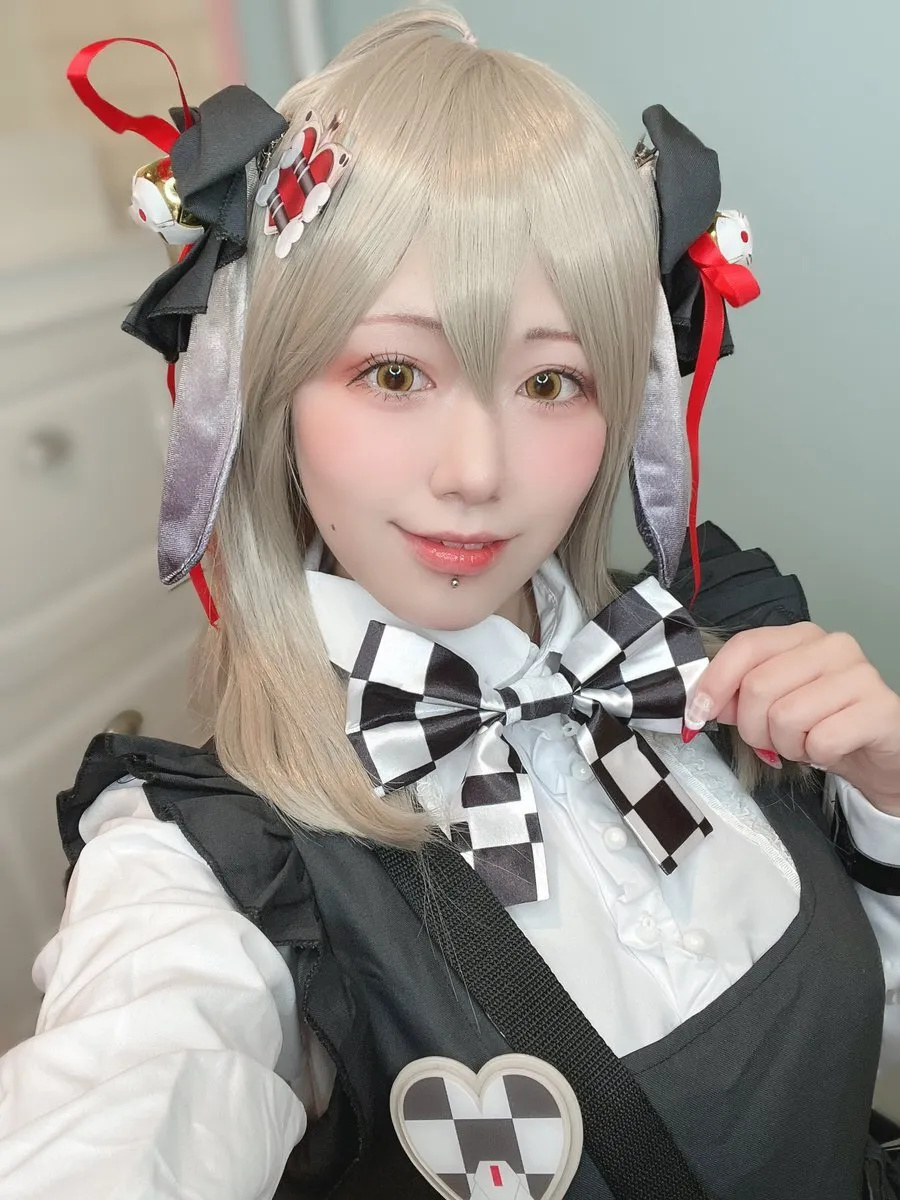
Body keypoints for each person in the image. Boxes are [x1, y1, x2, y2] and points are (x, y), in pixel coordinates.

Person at [2, 8, 900, 1199]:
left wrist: (888, 807)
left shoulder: (718, 654)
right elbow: (123, 1110)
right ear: (266, 387)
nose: (476, 473)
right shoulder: (208, 872)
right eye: (394, 372)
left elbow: (857, 1039)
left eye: (552, 379)